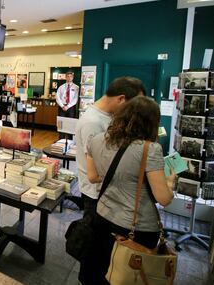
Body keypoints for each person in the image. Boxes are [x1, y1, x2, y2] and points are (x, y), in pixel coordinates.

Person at [82, 96, 176, 284]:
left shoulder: (98, 140)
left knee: (101, 270)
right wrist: (170, 183)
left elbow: (92, 176)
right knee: (131, 275)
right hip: (136, 227)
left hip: (102, 215)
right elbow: (163, 198)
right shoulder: (150, 149)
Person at [74, 76, 145, 284]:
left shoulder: (105, 117)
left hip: (105, 192)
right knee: (94, 249)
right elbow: (96, 168)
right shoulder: (92, 122)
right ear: (121, 99)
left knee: (102, 248)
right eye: (133, 105)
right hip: (97, 193)